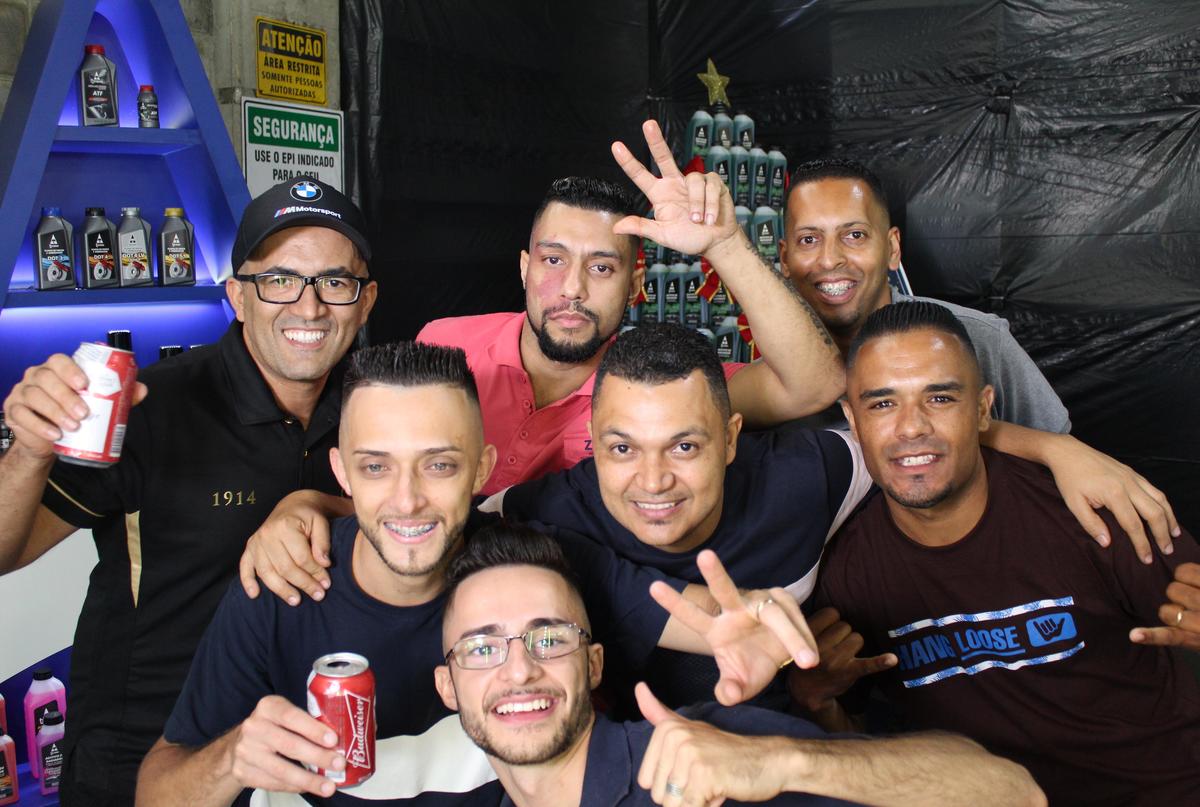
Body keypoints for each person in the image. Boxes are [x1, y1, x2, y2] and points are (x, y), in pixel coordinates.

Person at [137, 342, 823, 807]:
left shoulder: (534, 567)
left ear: (483, 470)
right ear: (342, 473)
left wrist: (768, 626)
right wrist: (230, 759)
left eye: (439, 465)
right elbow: (156, 789)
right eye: (376, 467)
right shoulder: (280, 587)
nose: (407, 499)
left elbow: (714, 619)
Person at [0, 177, 377, 806]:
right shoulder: (154, 407)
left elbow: (430, 516)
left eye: (335, 282)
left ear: (366, 302)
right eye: (279, 279)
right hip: (144, 758)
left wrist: (314, 503)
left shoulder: (377, 406)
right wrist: (29, 452)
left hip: (301, 752)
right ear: (238, 296)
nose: (309, 307)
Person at [799, 301, 1200, 805]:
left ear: (983, 408)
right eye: (882, 405)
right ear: (853, 423)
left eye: (939, 398)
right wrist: (818, 702)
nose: (911, 427)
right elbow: (861, 745)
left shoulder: (1091, 510)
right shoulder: (848, 571)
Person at [432, 522, 1046, 807]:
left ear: (593, 665)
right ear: (448, 686)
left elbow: (1009, 792)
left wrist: (781, 761)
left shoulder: (709, 751)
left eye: (549, 638)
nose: (520, 670)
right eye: (482, 649)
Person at [777, 157, 1181, 560]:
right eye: (809, 240)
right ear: (783, 257)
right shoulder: (770, 375)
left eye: (855, 235)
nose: (829, 259)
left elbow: (1060, 467)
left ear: (892, 247)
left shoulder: (975, 338)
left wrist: (1056, 449)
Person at [417, 119, 844, 495]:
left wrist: (725, 245)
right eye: (554, 260)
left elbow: (814, 385)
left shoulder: (662, 381)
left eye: (601, 267)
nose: (573, 288)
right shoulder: (444, 343)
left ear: (634, 286)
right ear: (525, 269)